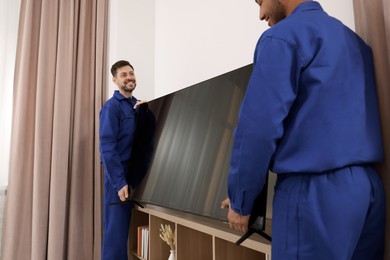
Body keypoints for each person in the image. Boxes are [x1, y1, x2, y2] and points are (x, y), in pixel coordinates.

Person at [221, 1, 385, 259]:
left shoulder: (281, 37)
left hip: (313, 196)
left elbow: (257, 129)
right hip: (368, 192)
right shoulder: (354, 41)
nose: (261, 14)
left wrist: (241, 200)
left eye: (260, 1)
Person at [99, 60, 154, 260]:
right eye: (123, 75)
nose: (129, 77)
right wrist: (119, 182)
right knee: (116, 236)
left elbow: (144, 143)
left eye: (131, 73)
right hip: (119, 180)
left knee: (131, 235)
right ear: (115, 80)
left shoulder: (139, 106)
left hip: (139, 177)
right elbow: (107, 146)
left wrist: (145, 113)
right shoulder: (111, 108)